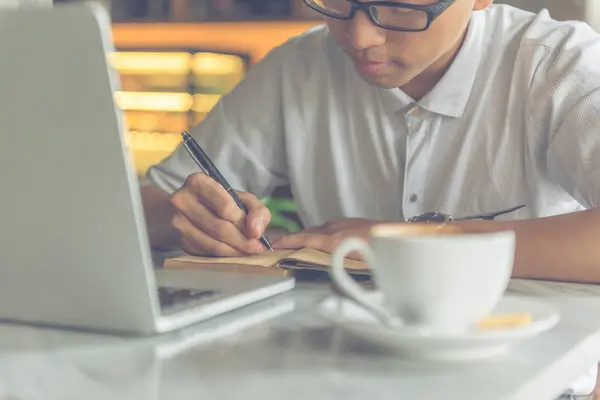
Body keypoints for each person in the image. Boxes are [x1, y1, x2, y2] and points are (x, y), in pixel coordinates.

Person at [140, 0, 600, 284]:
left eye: (400, 5)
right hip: (338, 365)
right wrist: (187, 217)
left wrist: (415, 242)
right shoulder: (298, 67)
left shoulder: (557, 65)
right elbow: (145, 204)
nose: (360, 37)